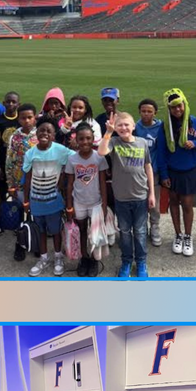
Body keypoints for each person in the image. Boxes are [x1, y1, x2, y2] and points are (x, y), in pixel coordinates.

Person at [98, 111, 155, 280]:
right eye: (119, 125)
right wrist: (108, 132)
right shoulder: (114, 142)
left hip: (140, 196)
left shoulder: (142, 143)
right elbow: (101, 152)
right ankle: (126, 261)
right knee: (124, 231)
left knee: (140, 231)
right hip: (122, 198)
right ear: (116, 128)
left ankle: (141, 261)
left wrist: (151, 192)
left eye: (126, 125)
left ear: (133, 126)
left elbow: (148, 167)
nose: (123, 128)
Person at [155, 89, 196, 258]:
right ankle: (178, 235)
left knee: (187, 204)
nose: (177, 110)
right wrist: (163, 175)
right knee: (174, 203)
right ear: (169, 109)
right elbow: (161, 152)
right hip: (172, 171)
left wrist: (195, 143)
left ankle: (188, 236)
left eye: (179, 106)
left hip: (189, 170)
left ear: (184, 105)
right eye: (173, 107)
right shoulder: (164, 126)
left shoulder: (193, 122)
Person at [22, 116, 71, 277]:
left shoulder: (61, 151)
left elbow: (76, 158)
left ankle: (58, 257)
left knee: (56, 231)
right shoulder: (31, 153)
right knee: (41, 231)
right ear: (36, 133)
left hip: (54, 202)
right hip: (36, 202)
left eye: (48, 131)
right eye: (41, 130)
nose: (44, 133)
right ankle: (43, 258)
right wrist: (26, 200)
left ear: (54, 135)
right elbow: (27, 178)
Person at [64, 122, 108, 277]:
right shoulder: (72, 159)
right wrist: (69, 206)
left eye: (88, 138)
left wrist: (104, 204)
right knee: (81, 230)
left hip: (96, 202)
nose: (85, 142)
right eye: (81, 139)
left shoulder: (99, 158)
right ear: (76, 140)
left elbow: (103, 182)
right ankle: (84, 258)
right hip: (79, 202)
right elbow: (69, 184)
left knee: (94, 233)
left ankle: (94, 259)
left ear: (93, 139)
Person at [5, 103, 37, 262]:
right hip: (18, 180)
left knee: (34, 212)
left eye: (29, 117)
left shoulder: (40, 135)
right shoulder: (15, 137)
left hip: (36, 181)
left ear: (35, 118)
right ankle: (20, 243)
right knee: (18, 212)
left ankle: (34, 241)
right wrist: (10, 184)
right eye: (23, 117)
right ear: (19, 119)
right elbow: (9, 161)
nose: (26, 120)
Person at [134, 98, 163, 247]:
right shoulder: (135, 127)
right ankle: (141, 227)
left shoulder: (160, 127)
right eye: (143, 111)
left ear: (155, 113)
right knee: (140, 201)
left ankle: (155, 226)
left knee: (154, 203)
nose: (146, 114)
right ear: (139, 112)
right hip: (138, 172)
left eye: (149, 111)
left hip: (155, 171)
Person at [0, 92, 20, 208]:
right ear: (4, 103)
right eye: (8, 101)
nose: (11, 104)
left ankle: (17, 218)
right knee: (2, 192)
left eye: (14, 102)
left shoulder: (21, 119)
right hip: (3, 162)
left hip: (18, 162)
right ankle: (3, 217)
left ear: (19, 104)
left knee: (17, 192)